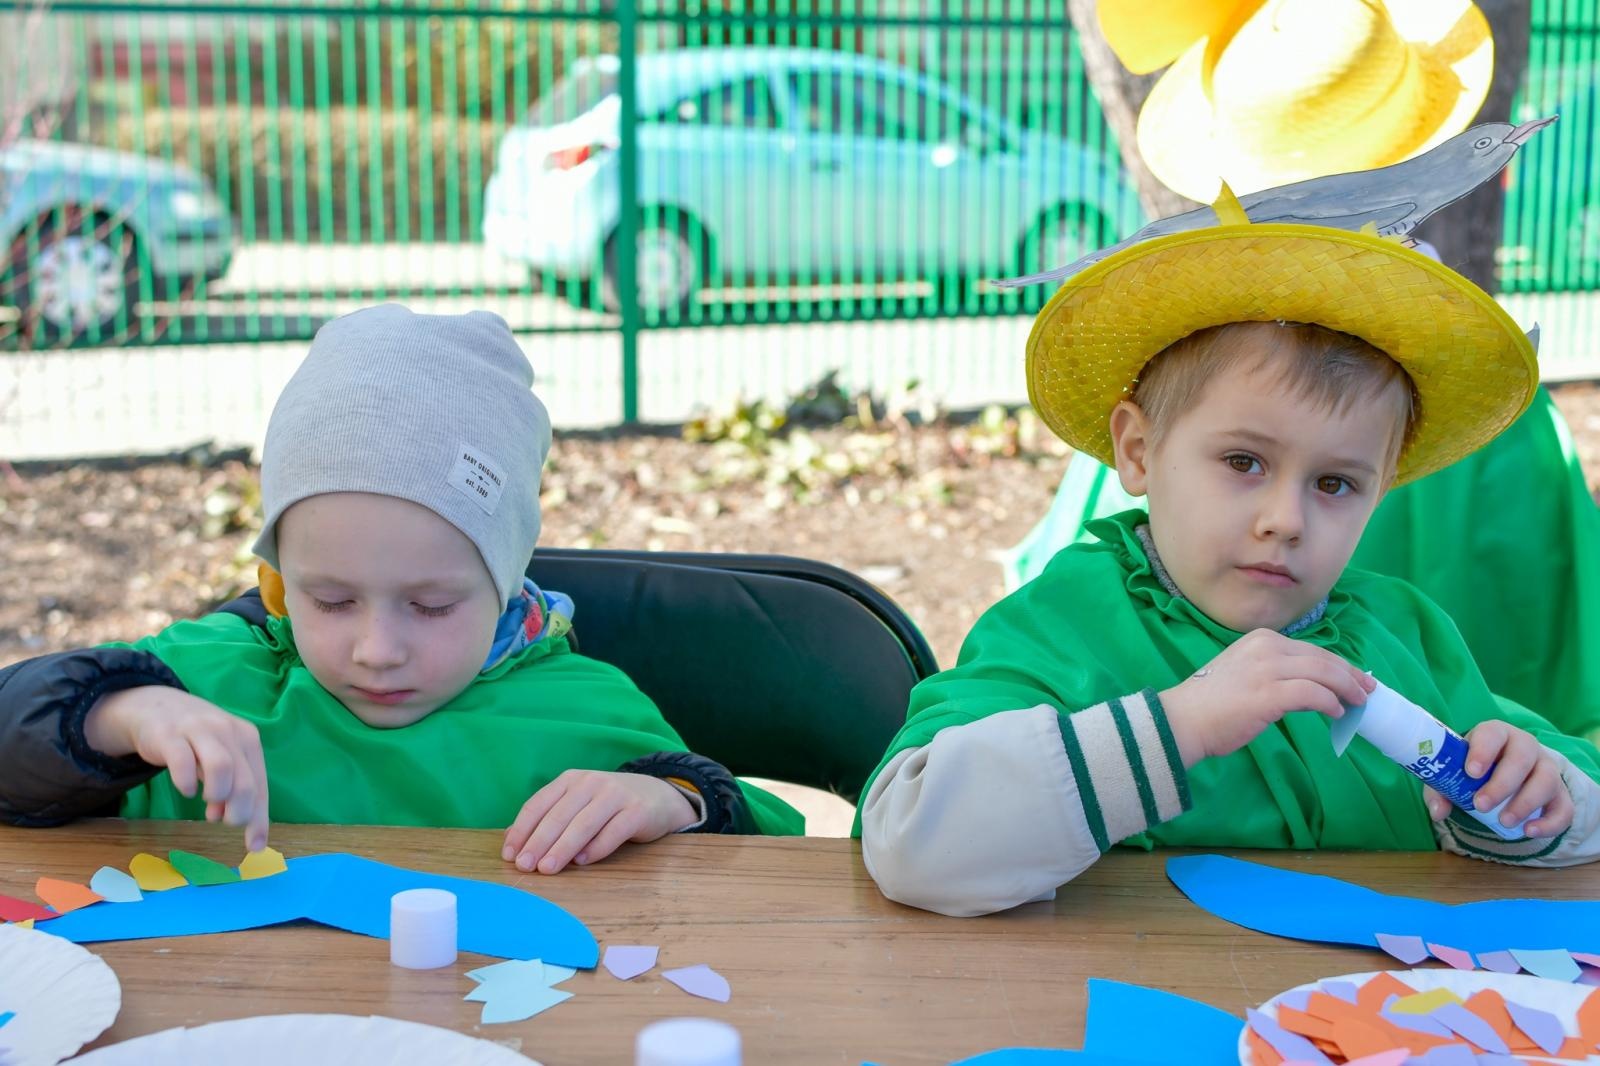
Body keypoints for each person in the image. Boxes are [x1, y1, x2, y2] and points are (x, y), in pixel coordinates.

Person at [857, 211, 1600, 917]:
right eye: (1244, 461)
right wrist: (1176, 727)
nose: (1287, 520)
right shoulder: (1062, 631)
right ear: (1139, 452)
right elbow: (911, 841)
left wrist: (1525, 804)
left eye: (1335, 484)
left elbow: (1576, 810)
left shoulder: (1407, 639)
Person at [0, 305, 801, 871]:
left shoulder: (584, 712)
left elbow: (774, 865)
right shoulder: (201, 683)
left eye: (431, 605)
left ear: (504, 583)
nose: (377, 650)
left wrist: (679, 801)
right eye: (330, 600)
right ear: (277, 583)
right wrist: (114, 715)